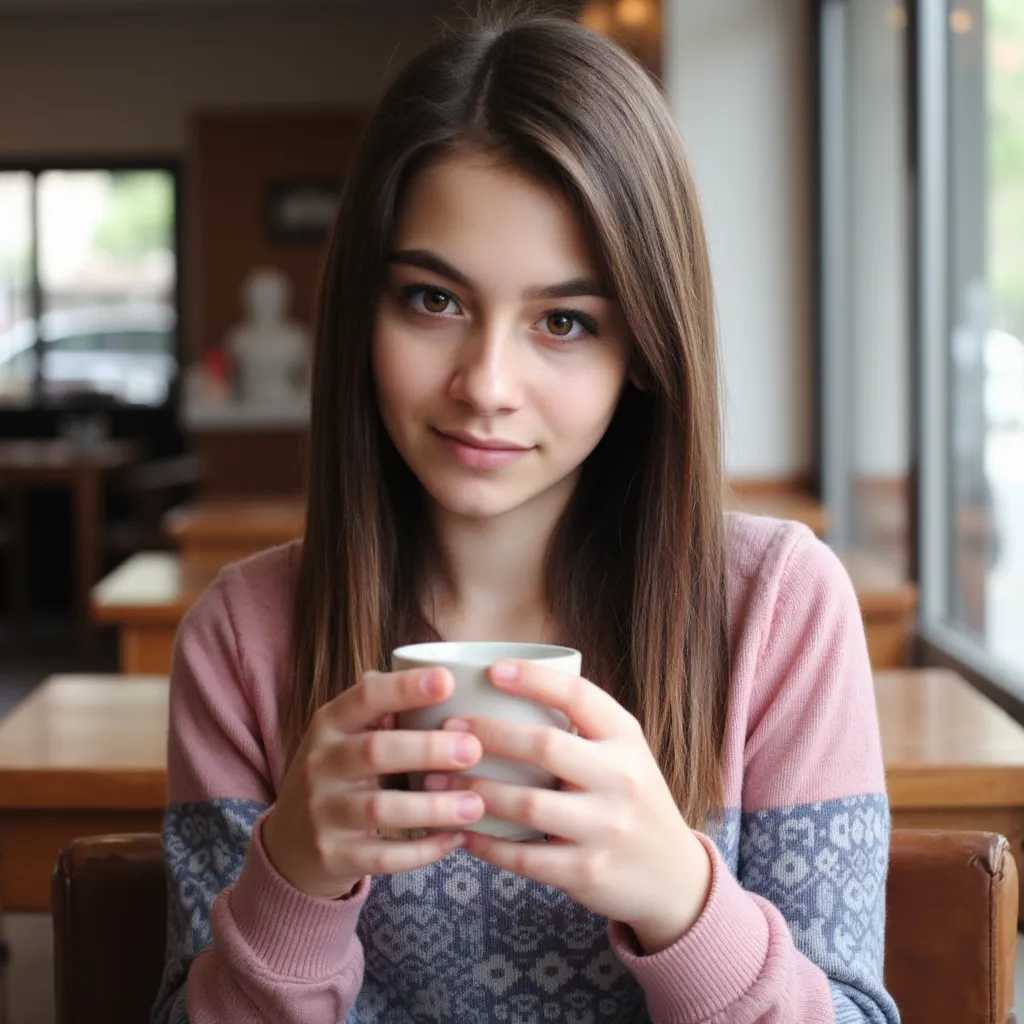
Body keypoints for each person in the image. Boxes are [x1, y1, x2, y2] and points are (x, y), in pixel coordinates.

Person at [152, 12, 900, 1024]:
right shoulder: (243, 639)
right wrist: (291, 881)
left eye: (562, 322)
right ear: (359, 312)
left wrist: (683, 901)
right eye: (432, 299)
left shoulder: (777, 610)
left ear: (643, 345)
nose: (485, 384)